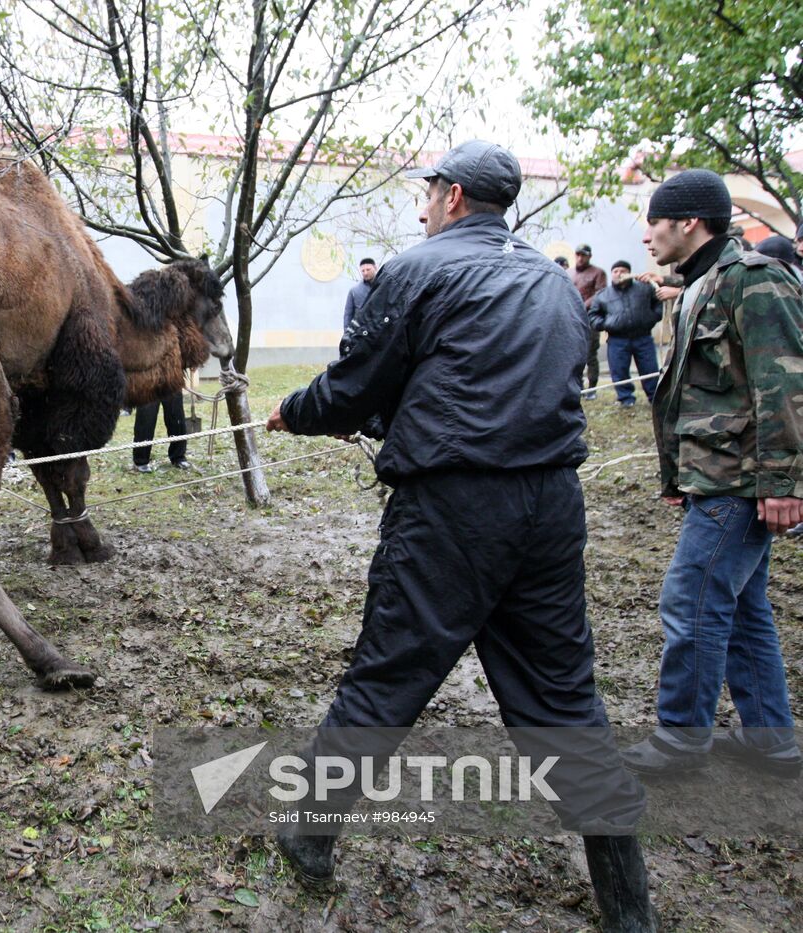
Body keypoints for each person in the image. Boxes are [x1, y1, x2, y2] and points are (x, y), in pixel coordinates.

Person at [265, 140, 654, 929]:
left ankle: (307, 837)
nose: (419, 207)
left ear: (452, 197)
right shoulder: (553, 281)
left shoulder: (419, 267)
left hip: (451, 512)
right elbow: (490, 377)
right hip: (549, 507)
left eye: (426, 192)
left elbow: (355, 385)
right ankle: (629, 907)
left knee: (387, 675)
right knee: (565, 704)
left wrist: (296, 413)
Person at [621, 169, 803, 780]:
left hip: (744, 482)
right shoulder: (706, 282)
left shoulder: (754, 279)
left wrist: (785, 484)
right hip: (718, 478)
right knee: (743, 604)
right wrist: (682, 477)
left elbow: (786, 387)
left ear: (688, 222)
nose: (646, 235)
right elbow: (699, 395)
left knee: (691, 598)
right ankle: (772, 741)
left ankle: (679, 742)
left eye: (654, 221)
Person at [587, 261, 662, 407]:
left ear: (630, 273)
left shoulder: (645, 289)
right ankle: (626, 399)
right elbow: (593, 315)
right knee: (619, 371)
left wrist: (653, 317)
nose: (619, 273)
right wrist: (605, 324)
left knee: (650, 369)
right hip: (617, 340)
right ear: (612, 274)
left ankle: (655, 398)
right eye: (615, 271)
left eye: (623, 270)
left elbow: (658, 303)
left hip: (643, 337)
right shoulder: (603, 295)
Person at [573, 244, 607, 398]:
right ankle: (577, 387)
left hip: (589, 320)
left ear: (589, 256)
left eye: (583, 255)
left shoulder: (597, 273)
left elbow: (601, 293)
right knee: (573, 355)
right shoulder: (569, 273)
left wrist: (582, 305)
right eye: (578, 255)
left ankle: (591, 388)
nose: (580, 258)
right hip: (572, 319)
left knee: (590, 355)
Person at [130, 389, 191, 473]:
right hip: (147, 381)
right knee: (146, 418)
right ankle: (141, 461)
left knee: (176, 416)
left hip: (172, 378)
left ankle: (178, 457)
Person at [341, 257, 378, 335]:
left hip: (381, 332)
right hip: (361, 334)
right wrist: (347, 335)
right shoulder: (354, 291)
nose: (365, 273)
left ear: (375, 268)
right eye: (363, 271)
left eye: (368, 270)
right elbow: (348, 315)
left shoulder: (384, 286)